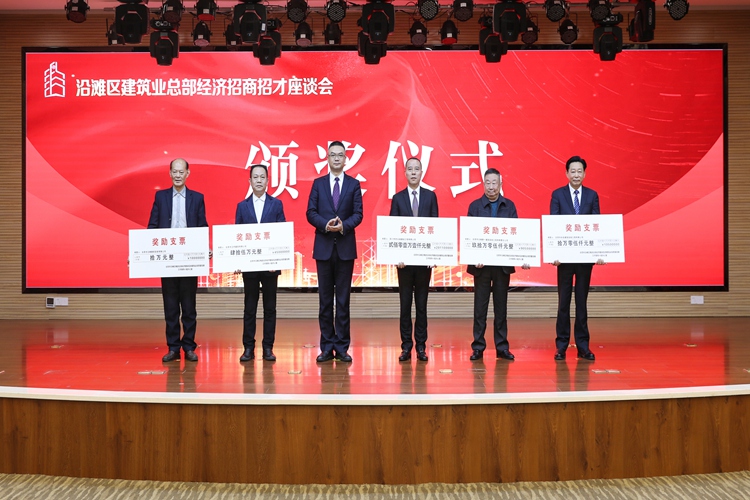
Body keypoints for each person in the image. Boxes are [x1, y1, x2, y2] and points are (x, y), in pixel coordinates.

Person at [306, 141, 364, 363]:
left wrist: (343, 226)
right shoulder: (318, 184)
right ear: (328, 158)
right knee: (324, 301)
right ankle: (326, 346)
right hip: (323, 248)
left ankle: (341, 347)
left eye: (340, 155)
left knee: (342, 301)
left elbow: (358, 214)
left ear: (345, 159)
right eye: (333, 155)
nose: (337, 158)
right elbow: (310, 212)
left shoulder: (354, 184)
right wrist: (325, 224)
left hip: (345, 249)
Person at [147, 158, 208, 363]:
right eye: (175, 171)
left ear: (188, 173)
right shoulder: (160, 197)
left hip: (189, 261)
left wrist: (204, 249)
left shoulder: (197, 198)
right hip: (168, 260)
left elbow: (202, 227)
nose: (178, 175)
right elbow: (152, 226)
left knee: (189, 307)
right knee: (171, 307)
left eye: (182, 172)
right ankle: (173, 347)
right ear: (170, 173)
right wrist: (141, 252)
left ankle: (189, 347)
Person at [466, 168, 528, 361]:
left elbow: (517, 235)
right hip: (481, 267)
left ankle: (502, 347)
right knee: (480, 309)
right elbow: (469, 236)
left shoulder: (509, 206)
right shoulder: (475, 206)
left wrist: (524, 257)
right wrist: (474, 256)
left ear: (500, 184)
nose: (491, 186)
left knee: (501, 309)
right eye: (488, 183)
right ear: (483, 184)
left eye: (495, 183)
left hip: (502, 266)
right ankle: (478, 347)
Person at [550, 155, 604, 361]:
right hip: (564, 260)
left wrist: (599, 253)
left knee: (582, 302)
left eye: (579, 171)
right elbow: (553, 226)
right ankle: (561, 346)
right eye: (572, 171)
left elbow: (598, 226)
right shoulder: (558, 195)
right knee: (563, 303)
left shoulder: (592, 195)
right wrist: (554, 254)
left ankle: (583, 346)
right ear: (566, 173)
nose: (576, 174)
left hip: (584, 259)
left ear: (584, 174)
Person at [389, 157, 438, 362]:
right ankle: (406, 347)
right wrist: (396, 256)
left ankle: (421, 347)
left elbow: (436, 227)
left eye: (417, 169)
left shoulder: (430, 196)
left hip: (424, 262)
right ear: (405, 173)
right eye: (410, 169)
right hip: (405, 264)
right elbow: (392, 230)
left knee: (421, 306)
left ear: (422, 172)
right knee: (405, 305)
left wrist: (433, 255)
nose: (413, 172)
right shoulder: (397, 198)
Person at [235, 164, 286, 363]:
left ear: (267, 181)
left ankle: (268, 348)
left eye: (262, 177)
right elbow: (237, 236)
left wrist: (277, 260)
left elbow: (281, 234)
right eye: (255, 177)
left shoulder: (277, 204)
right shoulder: (242, 206)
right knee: (249, 308)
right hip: (249, 266)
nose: (258, 180)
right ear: (250, 181)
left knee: (270, 308)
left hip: (270, 266)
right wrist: (237, 261)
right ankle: (248, 348)